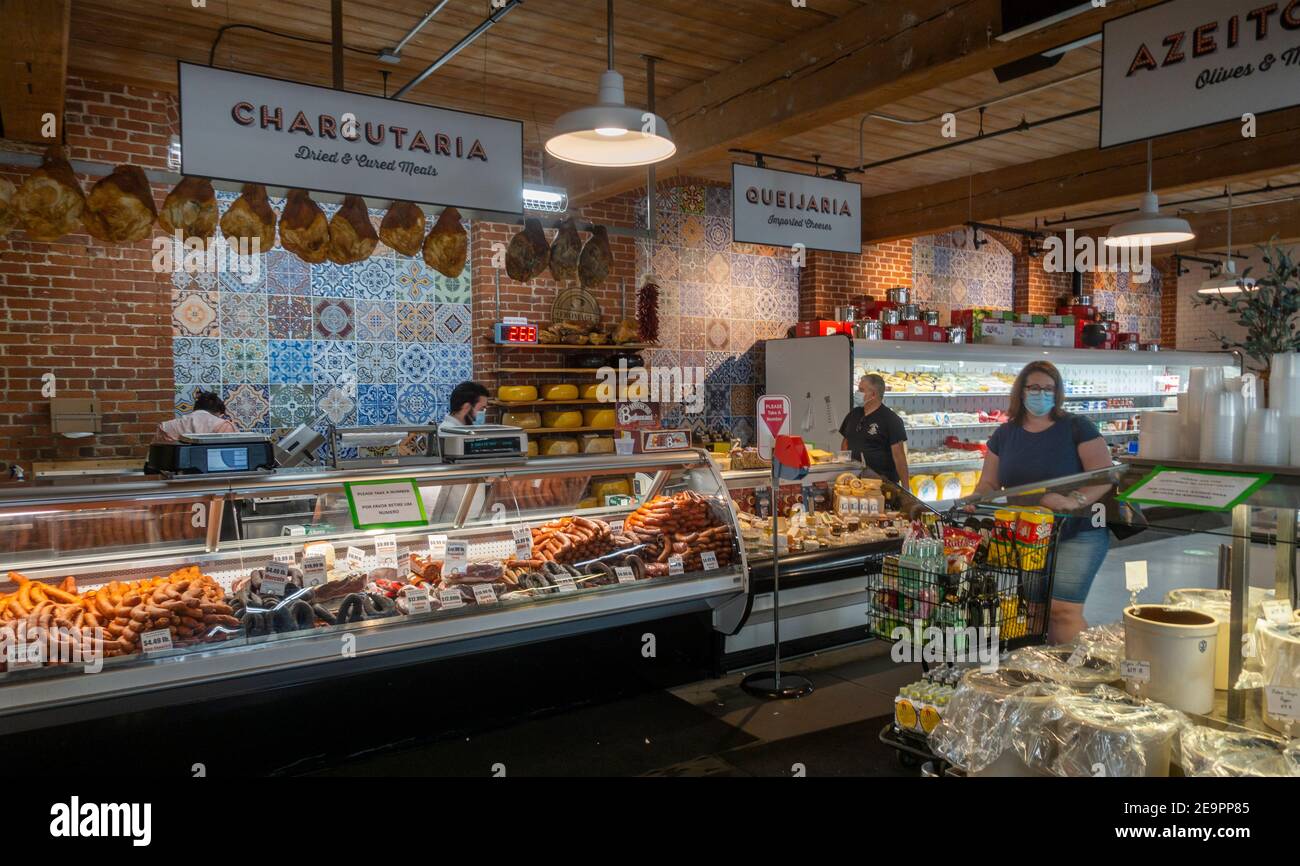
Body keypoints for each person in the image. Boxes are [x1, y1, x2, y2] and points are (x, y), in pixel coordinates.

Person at [969, 360, 1113, 645]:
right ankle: (1041, 673)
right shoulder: (1005, 434)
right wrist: (976, 498)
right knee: (1034, 609)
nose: (1041, 394)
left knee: (1063, 611)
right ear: (1021, 391)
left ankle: (1075, 675)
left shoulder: (1077, 427)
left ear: (1057, 393)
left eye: (1049, 388)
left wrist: (1074, 500)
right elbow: (989, 483)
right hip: (1029, 536)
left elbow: (1105, 476)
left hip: (1078, 531)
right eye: (1034, 387)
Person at [839, 373, 909, 488]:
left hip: (882, 484)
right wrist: (844, 470)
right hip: (855, 481)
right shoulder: (854, 414)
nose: (857, 393)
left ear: (873, 394)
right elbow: (845, 442)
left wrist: (906, 489)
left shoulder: (891, 420)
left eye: (861, 390)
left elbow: (899, 456)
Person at [155, 389, 237, 443]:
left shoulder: (166, 427)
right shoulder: (224, 425)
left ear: (196, 408)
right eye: (220, 416)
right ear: (218, 412)